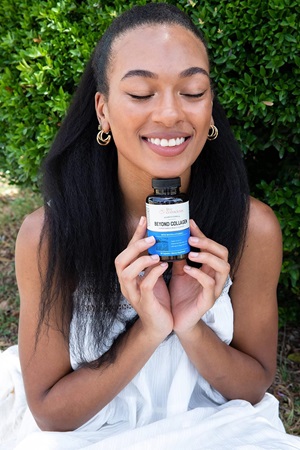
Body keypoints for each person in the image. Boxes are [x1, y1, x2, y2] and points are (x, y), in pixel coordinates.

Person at [0, 3, 299, 449]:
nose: (169, 114)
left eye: (192, 91)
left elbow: (251, 387)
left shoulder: (251, 228)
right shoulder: (49, 236)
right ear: (102, 111)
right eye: (141, 94)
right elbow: (51, 414)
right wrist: (149, 329)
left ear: (211, 106)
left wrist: (191, 325)